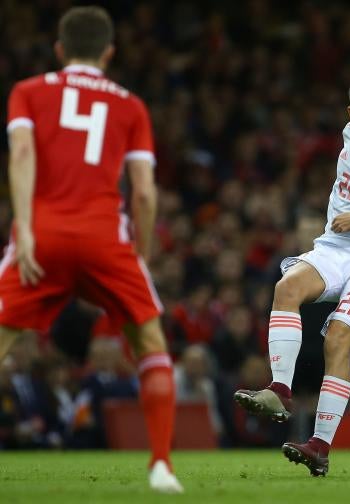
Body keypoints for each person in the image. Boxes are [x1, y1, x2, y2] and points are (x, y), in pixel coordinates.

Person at [0, 6, 182, 492]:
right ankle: (161, 465)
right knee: (150, 344)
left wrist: (25, 227)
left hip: (44, 235)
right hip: (106, 241)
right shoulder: (130, 105)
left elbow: (20, 155)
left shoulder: (28, 91)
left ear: (60, 50)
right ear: (109, 53)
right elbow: (144, 192)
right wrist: (138, 254)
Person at [234, 75, 350, 476]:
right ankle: (279, 391)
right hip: (333, 248)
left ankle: (319, 446)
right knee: (285, 288)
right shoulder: (348, 135)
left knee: (337, 339)